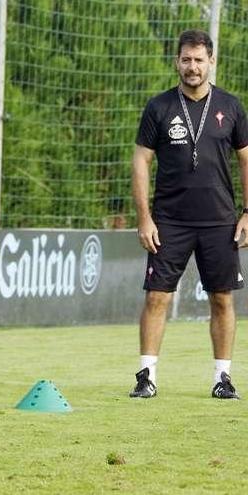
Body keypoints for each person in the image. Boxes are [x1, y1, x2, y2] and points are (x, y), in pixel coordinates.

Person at [130, 29, 248, 400]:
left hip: (220, 221)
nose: (192, 67)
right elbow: (140, 161)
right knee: (156, 297)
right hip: (169, 222)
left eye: (199, 60)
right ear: (177, 62)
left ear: (211, 61)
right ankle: (146, 375)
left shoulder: (230, 107)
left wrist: (247, 211)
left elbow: (246, 159)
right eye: (186, 59)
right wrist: (144, 217)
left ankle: (222, 378)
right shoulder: (159, 107)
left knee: (222, 299)